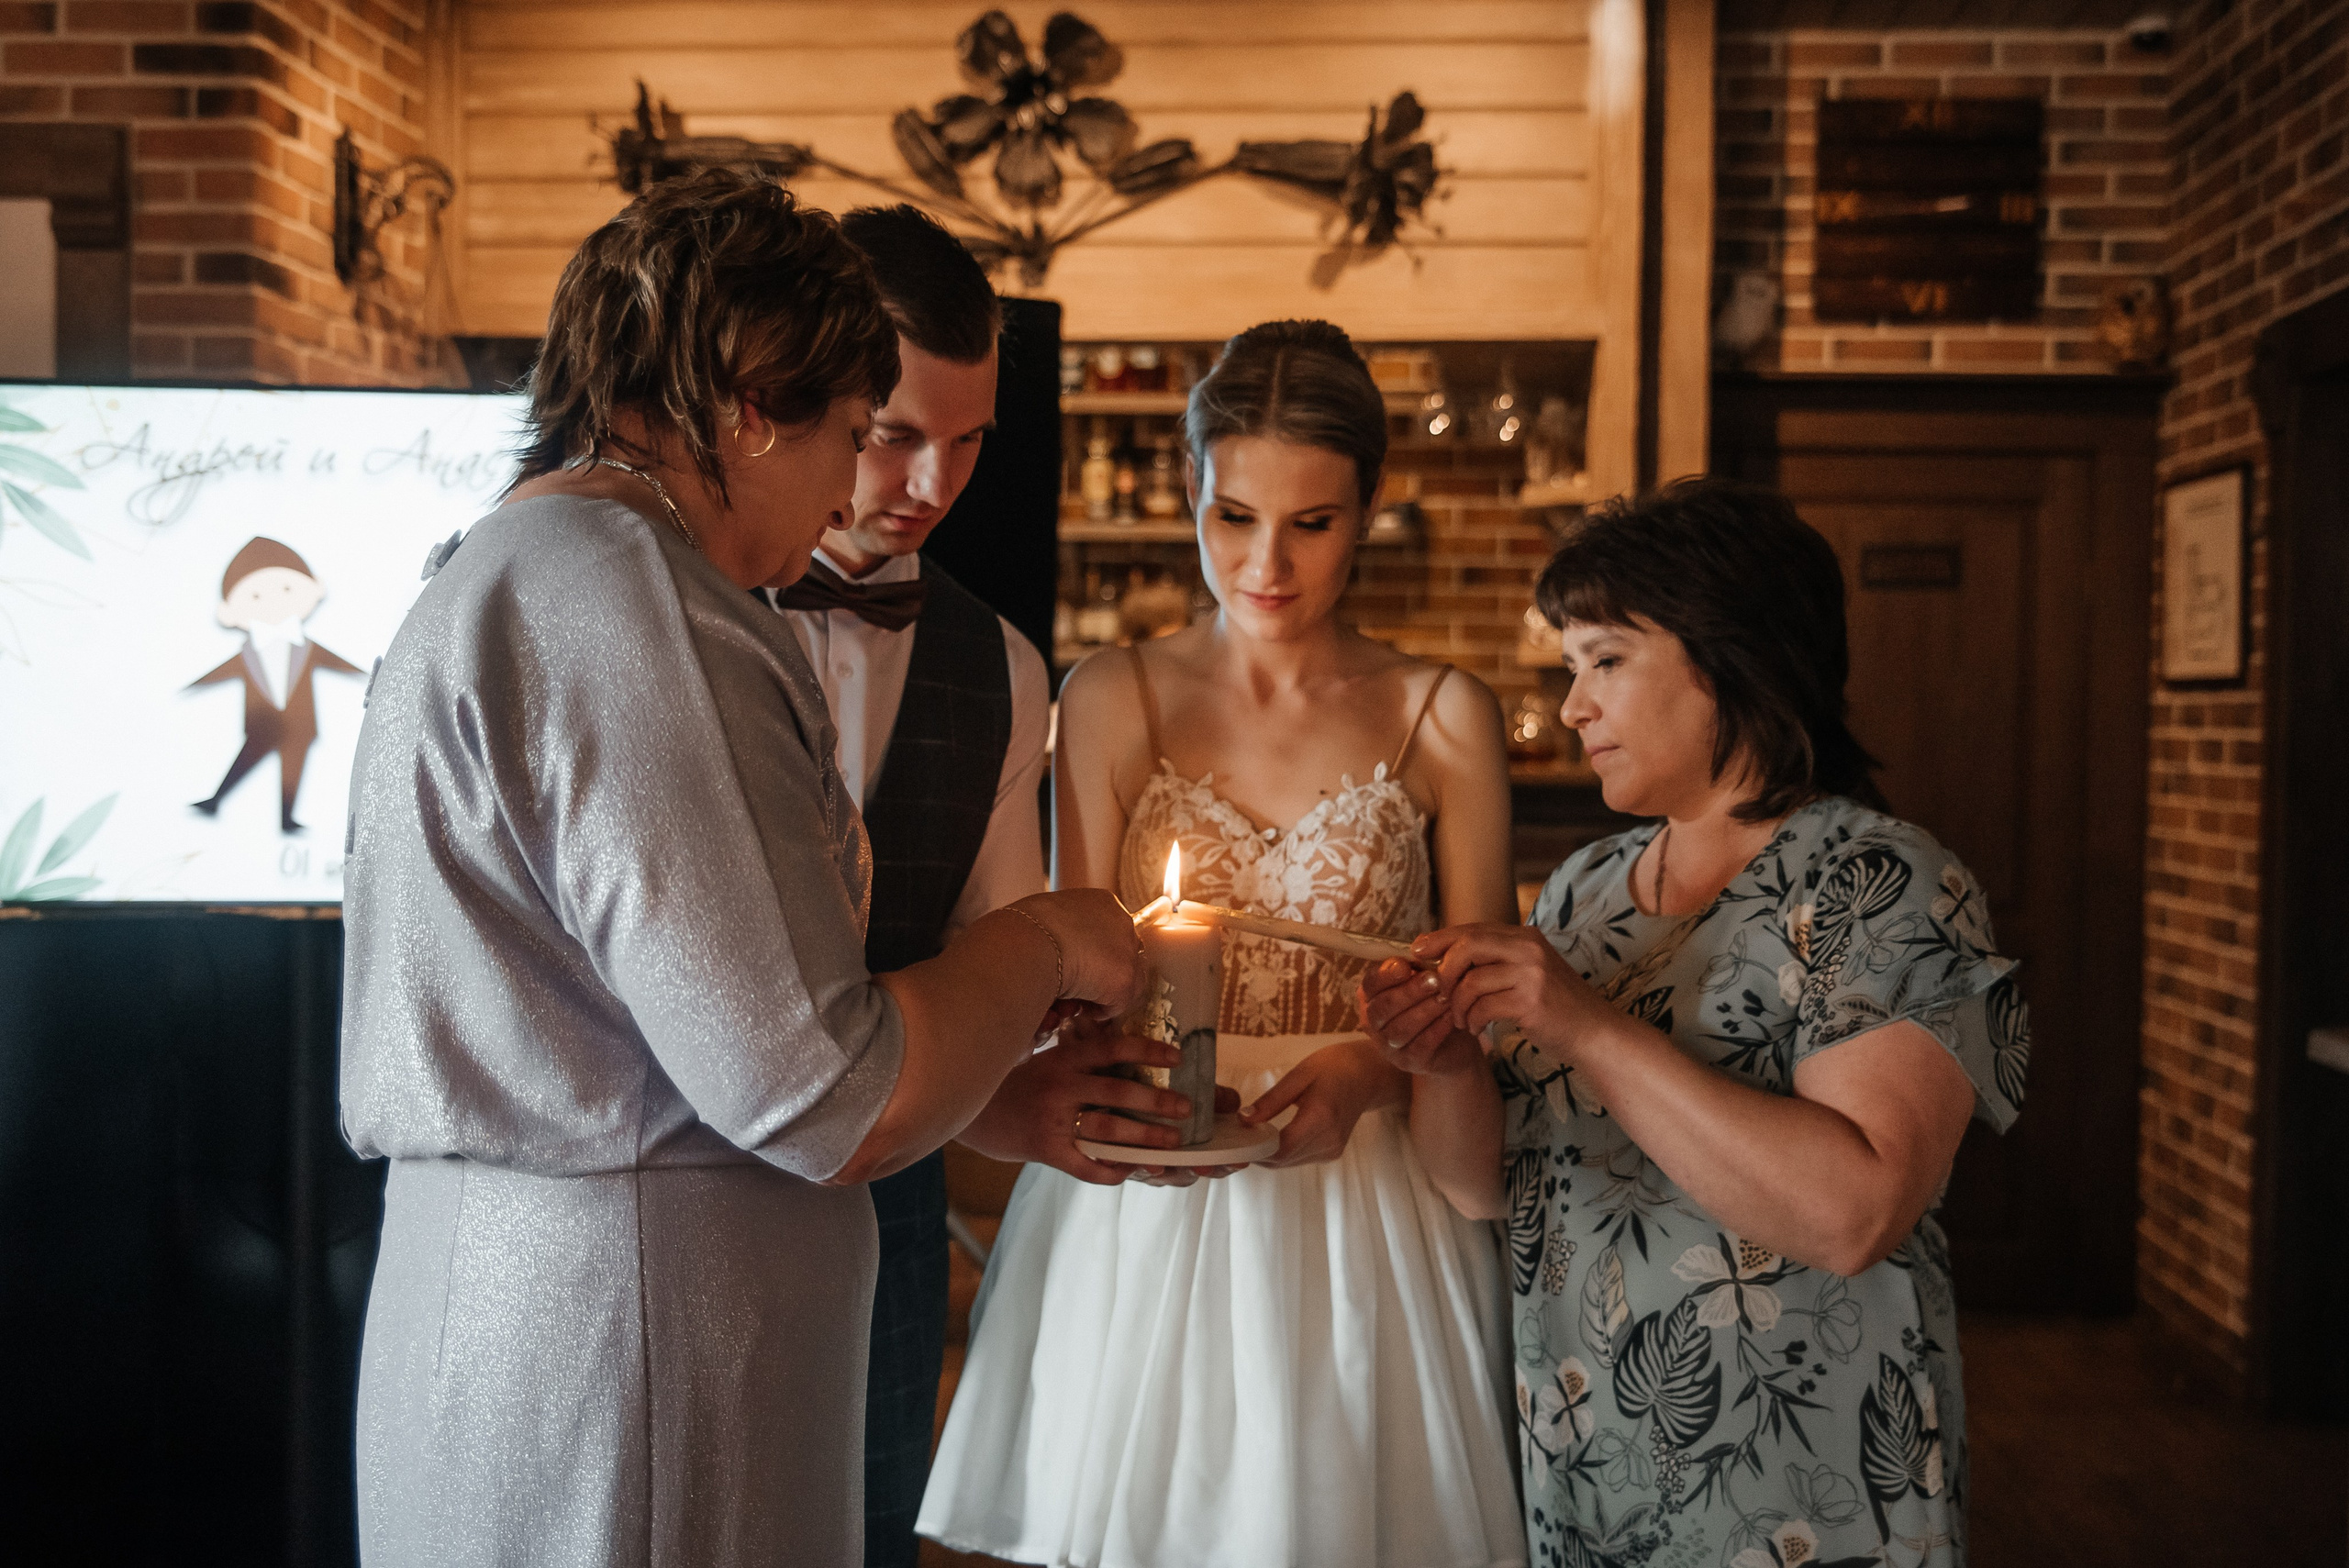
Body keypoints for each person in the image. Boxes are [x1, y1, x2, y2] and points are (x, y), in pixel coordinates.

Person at [338, 170, 1142, 1568]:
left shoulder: (512, 563)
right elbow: (822, 1092)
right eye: (854, 432)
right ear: (755, 408)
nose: (853, 487)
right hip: (636, 1353)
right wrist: (1053, 942)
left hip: (532, 1312)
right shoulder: (643, 609)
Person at [920, 320, 1530, 1568]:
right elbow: (1077, 1000)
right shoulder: (1111, 694)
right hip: (1153, 1189)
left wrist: (1371, 1065)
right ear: (1191, 486)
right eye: (1233, 514)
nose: (1266, 563)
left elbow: (1485, 1025)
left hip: (1366, 1208)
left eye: (1313, 522)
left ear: (1369, 506)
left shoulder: (1444, 716)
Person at [1367, 479, 2031, 1568]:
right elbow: (1487, 1187)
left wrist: (1587, 1028)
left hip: (1805, 1490)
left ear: (1732, 654)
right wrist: (1441, 1063)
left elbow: (1853, 1212)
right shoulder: (1582, 889)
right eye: (1571, 665)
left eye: (1605, 660)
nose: (1572, 706)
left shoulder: (1880, 879)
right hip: (1589, 1465)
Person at [763, 204, 1199, 1568]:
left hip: (889, 1220)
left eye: (968, 443)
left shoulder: (1002, 668)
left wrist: (1048, 1088)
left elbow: (993, 973)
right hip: (677, 1202)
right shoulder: (675, 619)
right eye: (897, 433)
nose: (931, 482)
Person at [187, 535, 362, 833]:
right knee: (245, 762)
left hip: (301, 725)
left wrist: (368, 675)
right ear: (228, 612)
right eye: (255, 596)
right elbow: (220, 672)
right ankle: (215, 800)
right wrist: (192, 688)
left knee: (293, 769)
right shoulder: (249, 652)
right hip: (262, 725)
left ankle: (286, 819)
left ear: (315, 587)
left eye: (286, 589)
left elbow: (340, 664)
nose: (274, 602)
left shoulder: (307, 647)